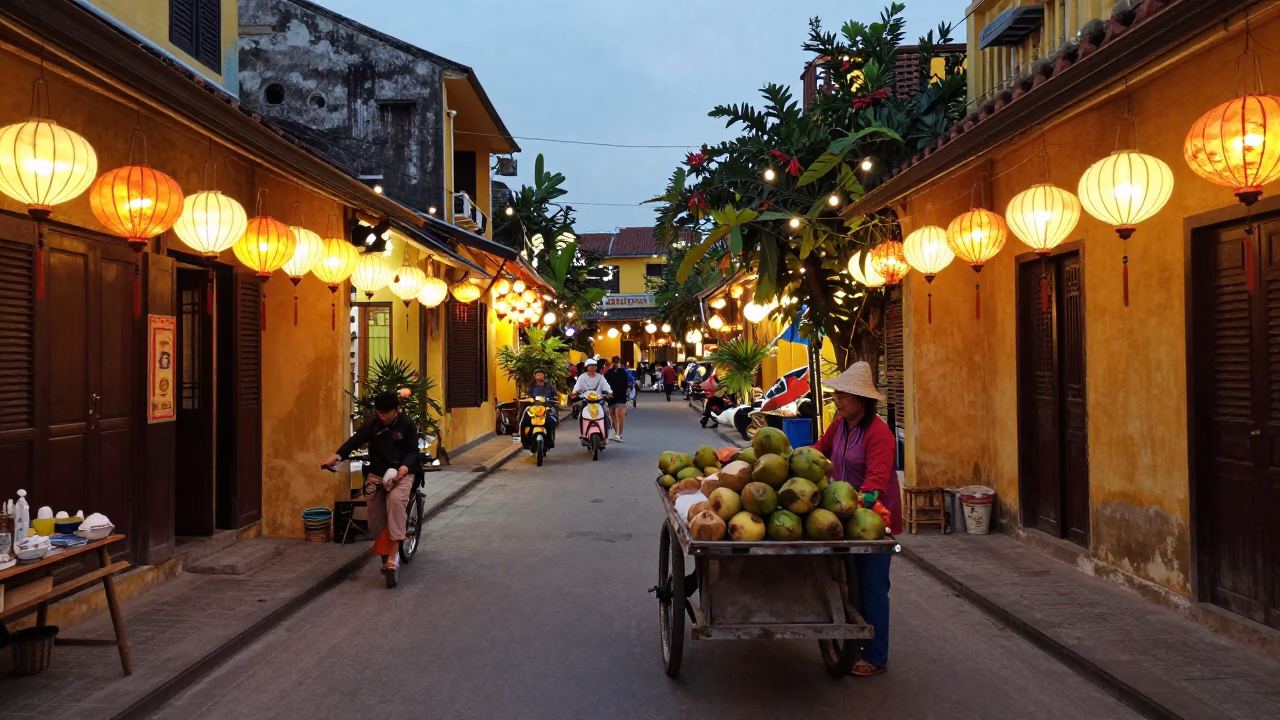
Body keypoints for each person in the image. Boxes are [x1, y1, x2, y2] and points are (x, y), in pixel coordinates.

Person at [809, 361, 900, 677]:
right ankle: (853, 641)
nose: (837, 399)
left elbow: (876, 484)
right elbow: (819, 453)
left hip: (872, 520)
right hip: (844, 515)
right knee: (848, 583)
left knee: (872, 586)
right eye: (836, 393)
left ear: (862, 400)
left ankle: (877, 656)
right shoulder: (839, 425)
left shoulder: (880, 435)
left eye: (844, 395)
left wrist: (858, 502)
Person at [321, 391, 418, 589]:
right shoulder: (373, 425)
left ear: (396, 410)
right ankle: (385, 549)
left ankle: (393, 557)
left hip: (403, 474)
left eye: (386, 413)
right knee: (374, 516)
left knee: (395, 502)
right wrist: (336, 456)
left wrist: (404, 468)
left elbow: (413, 451)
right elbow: (354, 441)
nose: (382, 417)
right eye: (379, 413)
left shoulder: (407, 424)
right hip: (377, 474)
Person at [571, 358, 612, 431]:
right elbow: (576, 388)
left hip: (599, 401)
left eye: (594, 366)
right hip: (585, 401)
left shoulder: (600, 377)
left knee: (605, 411)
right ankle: (583, 433)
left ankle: (607, 430)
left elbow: (607, 387)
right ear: (587, 368)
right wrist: (574, 394)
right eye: (591, 366)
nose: (593, 368)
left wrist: (609, 393)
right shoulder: (582, 377)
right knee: (581, 415)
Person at [603, 355, 630, 442]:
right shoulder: (623, 372)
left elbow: (604, 385)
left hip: (612, 397)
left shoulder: (608, 373)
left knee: (614, 415)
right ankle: (618, 434)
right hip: (619, 397)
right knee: (618, 415)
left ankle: (617, 433)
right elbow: (627, 384)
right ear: (619, 362)